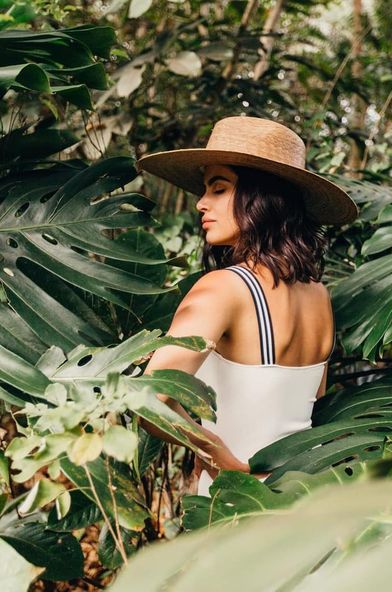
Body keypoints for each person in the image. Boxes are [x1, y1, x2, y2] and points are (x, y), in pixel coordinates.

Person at [135, 115, 358, 496]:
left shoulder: (224, 288)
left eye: (218, 188)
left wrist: (213, 452)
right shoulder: (319, 293)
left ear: (263, 199)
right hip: (306, 500)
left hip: (237, 501)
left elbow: (147, 399)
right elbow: (310, 402)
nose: (201, 204)